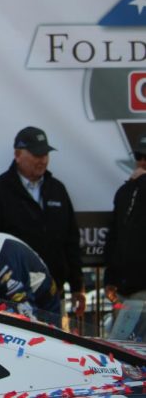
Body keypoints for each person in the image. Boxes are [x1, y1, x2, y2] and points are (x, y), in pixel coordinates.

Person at [0, 126, 85, 317]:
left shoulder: (57, 189)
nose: (42, 160)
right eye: (36, 154)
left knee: (57, 344)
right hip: (10, 295)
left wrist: (77, 285)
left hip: (52, 291)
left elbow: (71, 240)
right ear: (17, 154)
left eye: (45, 154)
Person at [103, 134, 146, 340]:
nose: (142, 161)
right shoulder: (126, 191)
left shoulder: (135, 187)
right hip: (124, 289)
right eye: (139, 156)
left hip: (143, 288)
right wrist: (109, 277)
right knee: (122, 351)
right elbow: (114, 235)